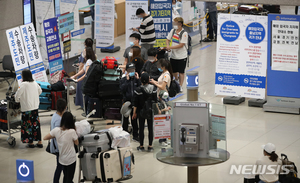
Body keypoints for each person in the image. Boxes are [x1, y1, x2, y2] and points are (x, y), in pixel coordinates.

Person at [44, 112, 79, 183]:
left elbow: (45, 138)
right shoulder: (72, 131)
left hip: (62, 159)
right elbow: (77, 143)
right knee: (69, 178)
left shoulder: (56, 130)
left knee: (65, 176)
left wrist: (55, 136)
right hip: (71, 159)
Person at [15, 69, 42, 148]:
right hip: (35, 107)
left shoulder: (23, 84)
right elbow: (40, 91)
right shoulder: (35, 83)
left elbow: (17, 95)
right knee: (36, 125)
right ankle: (39, 142)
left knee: (28, 126)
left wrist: (17, 100)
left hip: (27, 108)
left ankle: (31, 143)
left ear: (24, 76)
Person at [132, 73, 157, 152]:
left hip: (141, 111)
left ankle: (141, 145)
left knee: (141, 128)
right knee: (150, 128)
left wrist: (134, 113)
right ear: (149, 79)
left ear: (141, 80)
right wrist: (158, 110)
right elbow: (155, 101)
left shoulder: (138, 90)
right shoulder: (153, 88)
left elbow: (135, 103)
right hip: (150, 110)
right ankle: (150, 146)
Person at [119, 63, 141, 142]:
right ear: (127, 71)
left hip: (134, 102)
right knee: (125, 119)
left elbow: (140, 88)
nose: (131, 72)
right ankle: (124, 134)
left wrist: (138, 79)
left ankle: (135, 135)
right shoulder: (123, 80)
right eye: (130, 70)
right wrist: (127, 81)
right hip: (126, 102)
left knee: (134, 119)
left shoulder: (136, 79)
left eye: (133, 70)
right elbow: (121, 90)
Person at [71, 47, 96, 113]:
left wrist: (78, 80)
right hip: (88, 83)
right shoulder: (88, 61)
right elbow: (82, 70)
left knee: (86, 98)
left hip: (88, 83)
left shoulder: (89, 62)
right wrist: (74, 76)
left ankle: (87, 111)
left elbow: (86, 74)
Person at [166, 17, 188, 92]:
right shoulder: (173, 31)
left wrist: (170, 47)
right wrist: (167, 45)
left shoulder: (184, 33)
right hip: (173, 56)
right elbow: (167, 39)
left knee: (181, 72)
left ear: (180, 24)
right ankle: (176, 82)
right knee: (174, 71)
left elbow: (181, 45)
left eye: (175, 23)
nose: (174, 25)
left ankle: (180, 85)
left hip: (182, 56)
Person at [50, 98, 67, 183]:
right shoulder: (58, 120)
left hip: (57, 146)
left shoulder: (55, 115)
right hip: (59, 147)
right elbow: (58, 135)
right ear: (65, 108)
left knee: (62, 166)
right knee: (60, 167)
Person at [75, 38, 94, 109]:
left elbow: (82, 64)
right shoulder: (92, 51)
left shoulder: (85, 52)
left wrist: (78, 74)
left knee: (81, 88)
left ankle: (82, 104)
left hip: (83, 73)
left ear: (85, 44)